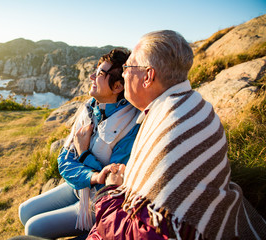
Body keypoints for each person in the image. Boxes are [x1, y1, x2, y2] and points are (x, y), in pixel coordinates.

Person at [87, 30, 266, 240]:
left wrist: (111, 191)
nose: (124, 73)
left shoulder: (169, 122)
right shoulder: (194, 104)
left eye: (128, 66)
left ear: (148, 76)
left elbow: (146, 233)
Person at [18, 48, 140, 239]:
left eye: (100, 73)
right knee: (24, 211)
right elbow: (64, 160)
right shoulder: (89, 109)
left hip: (97, 202)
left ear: (117, 87)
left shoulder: (131, 125)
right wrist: (92, 175)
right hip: (79, 188)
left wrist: (83, 153)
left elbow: (111, 186)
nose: (91, 76)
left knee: (34, 228)